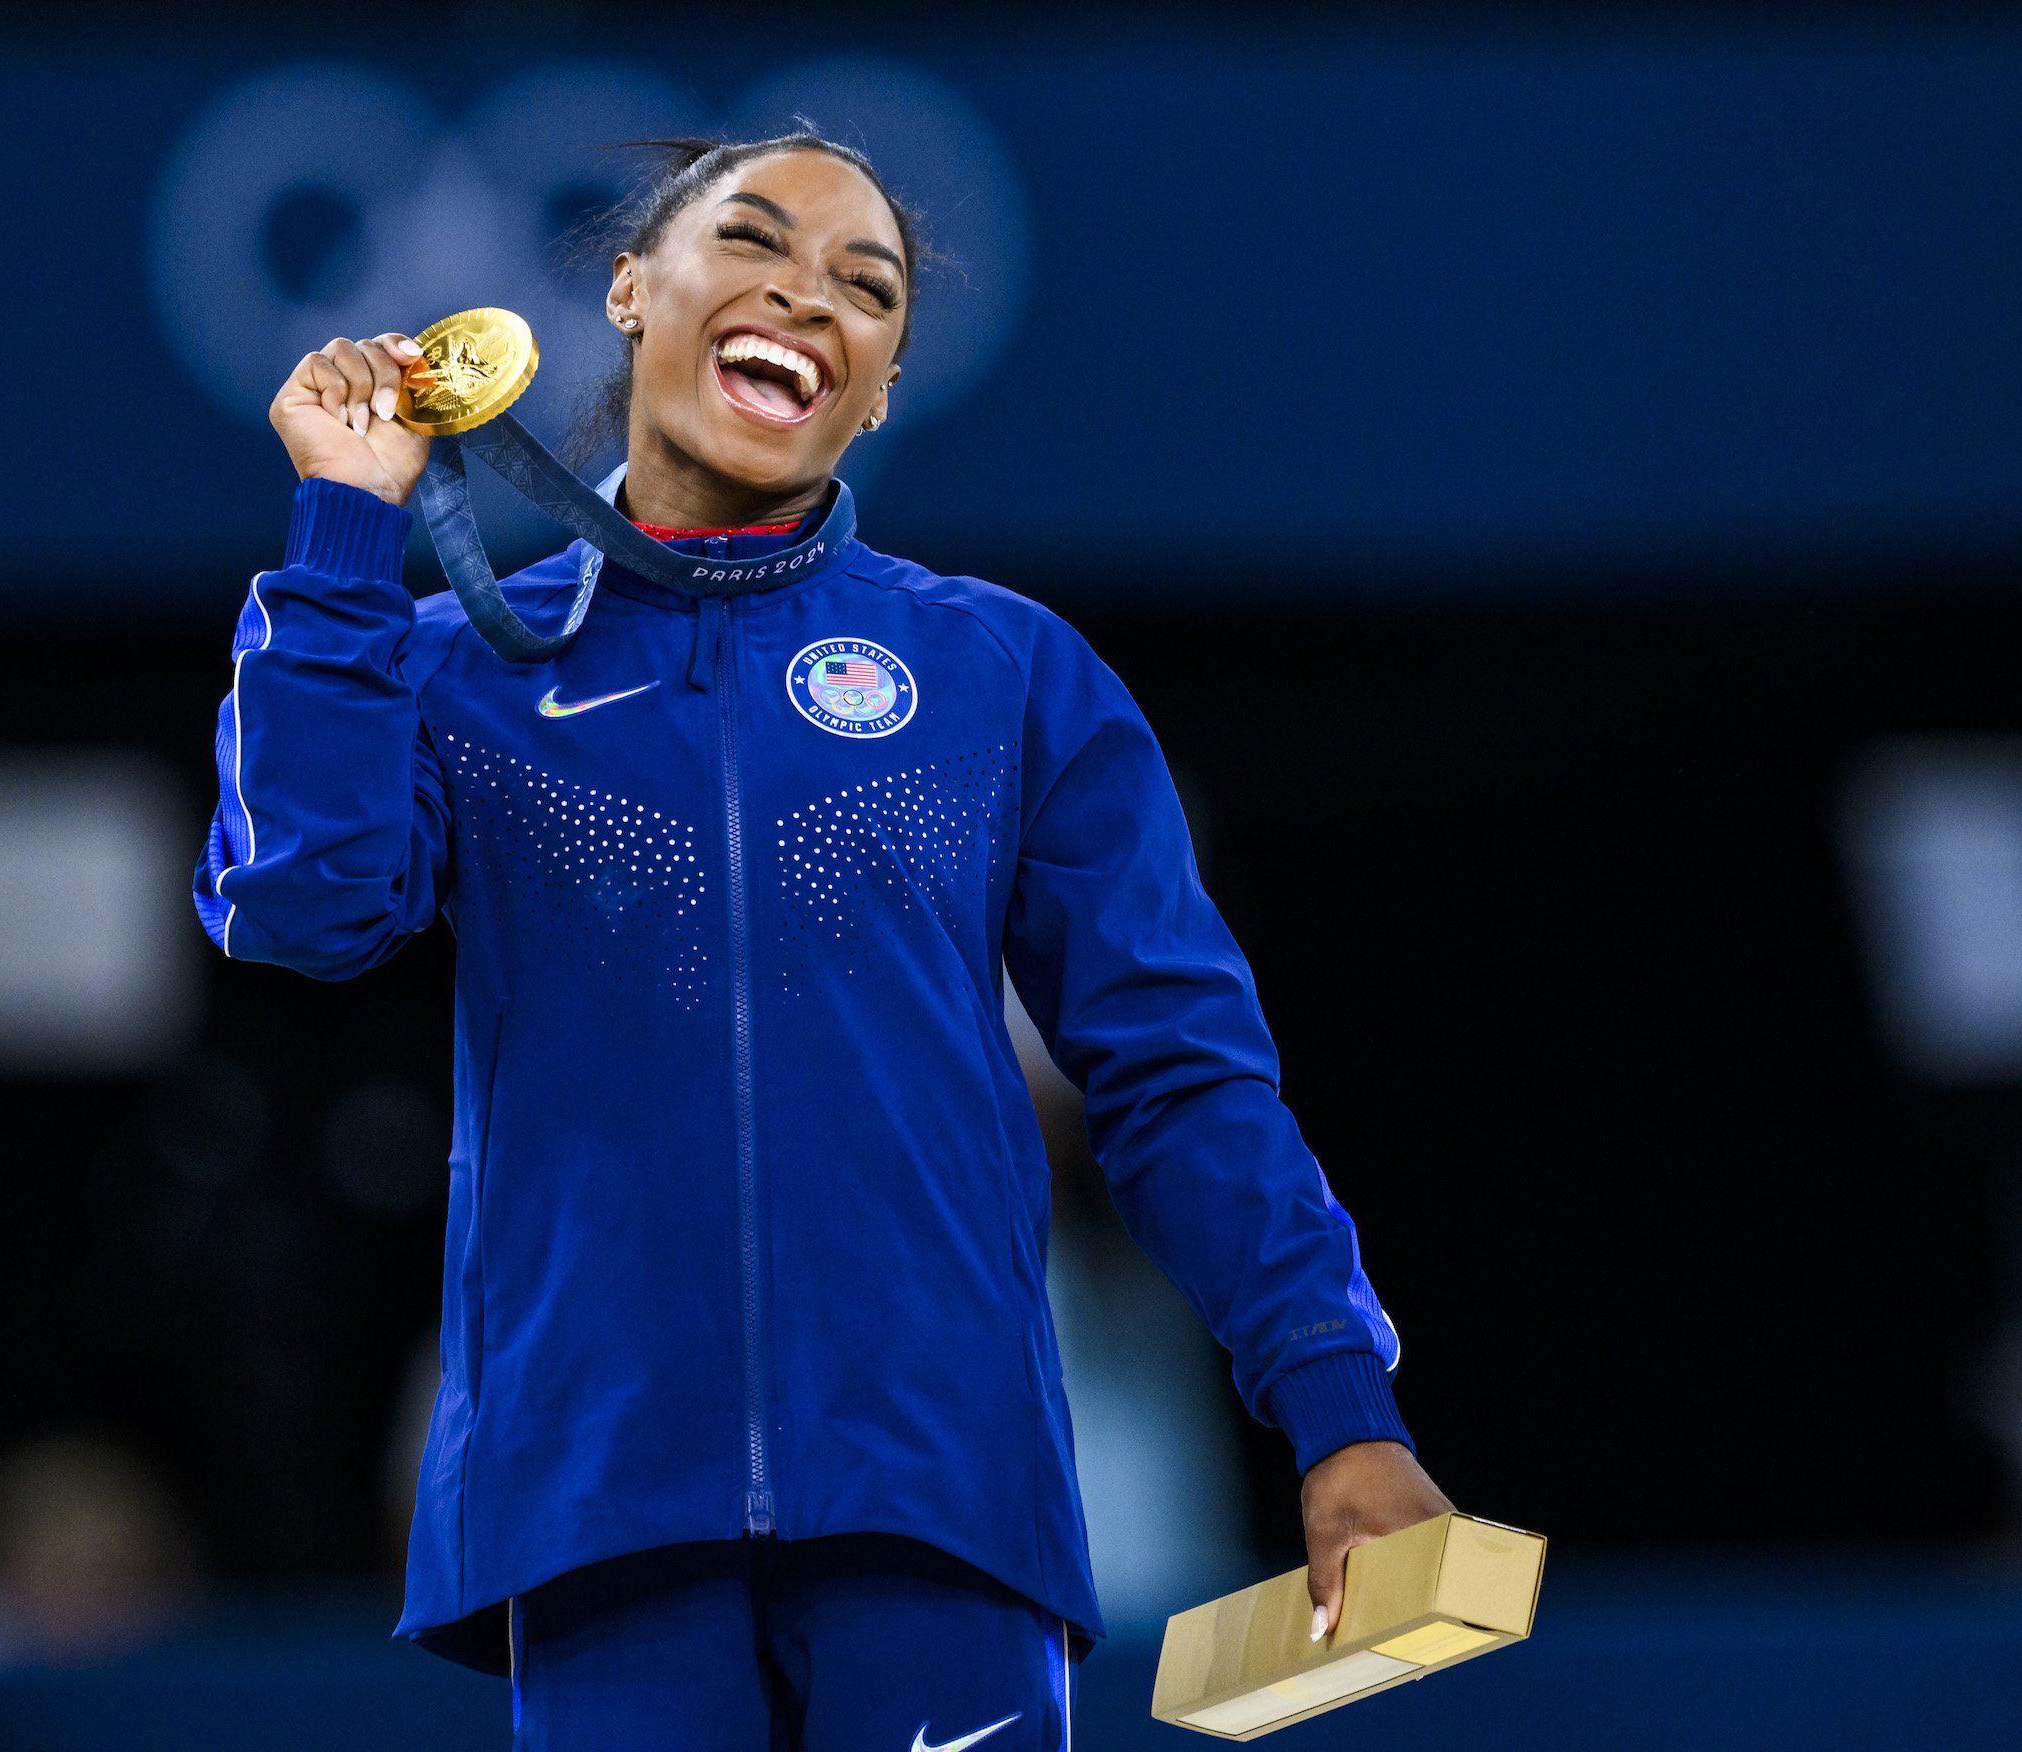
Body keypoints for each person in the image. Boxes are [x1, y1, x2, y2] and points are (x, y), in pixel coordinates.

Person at [193, 132, 1453, 1749]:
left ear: (879, 392)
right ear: (632, 295)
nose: (810, 293)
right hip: (597, 1519)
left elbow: (1183, 1075)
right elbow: (301, 907)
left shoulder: (1005, 675)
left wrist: (1339, 1408)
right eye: (756, 243)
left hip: (941, 1508)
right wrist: (347, 535)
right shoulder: (458, 669)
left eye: (867, 289)